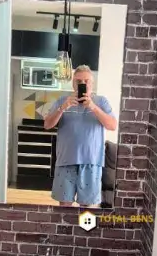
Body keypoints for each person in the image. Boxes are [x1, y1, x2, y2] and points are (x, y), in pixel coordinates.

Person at [43, 65, 117, 207]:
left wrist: (93, 107)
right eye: (78, 81)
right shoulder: (62, 101)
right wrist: (63, 108)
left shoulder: (101, 101)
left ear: (92, 84)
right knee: (64, 207)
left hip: (92, 162)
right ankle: (65, 223)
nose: (82, 84)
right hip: (65, 161)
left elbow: (112, 125)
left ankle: (83, 224)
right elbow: (47, 125)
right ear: (73, 83)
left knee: (87, 209)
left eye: (86, 81)